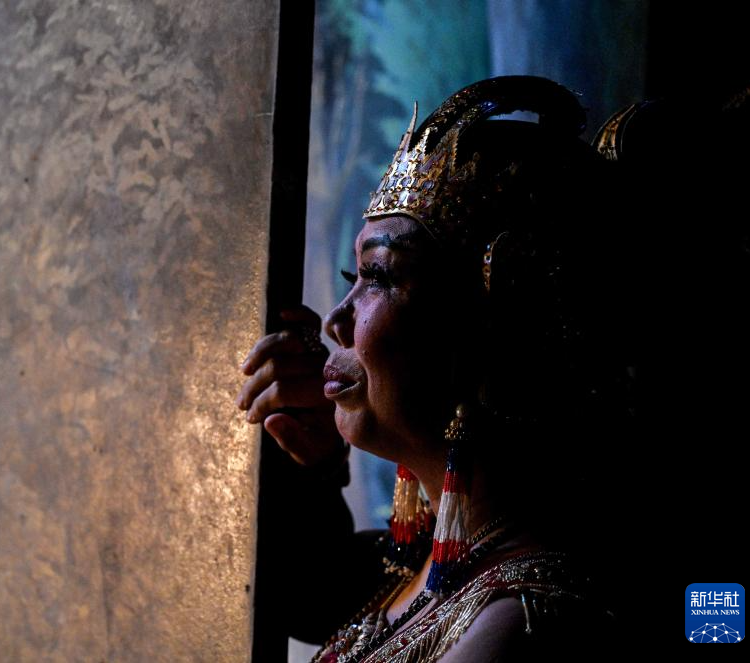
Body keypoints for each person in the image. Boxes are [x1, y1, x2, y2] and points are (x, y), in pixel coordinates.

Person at [237, 76, 637, 661]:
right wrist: (315, 460)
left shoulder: (524, 621)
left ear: (486, 326)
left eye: (376, 277)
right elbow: (307, 590)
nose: (337, 320)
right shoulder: (428, 564)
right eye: (353, 279)